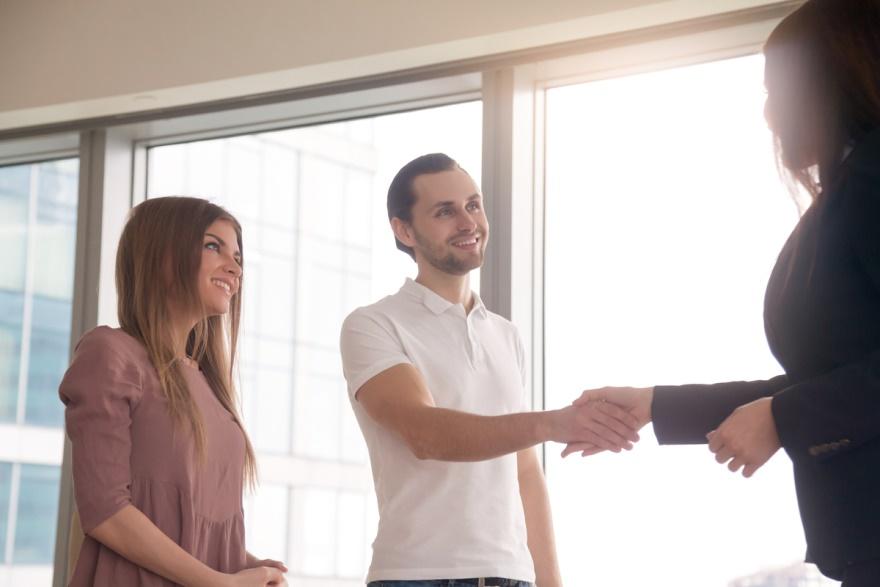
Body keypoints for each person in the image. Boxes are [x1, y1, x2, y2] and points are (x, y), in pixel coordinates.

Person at [567, 1, 880, 584]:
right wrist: (655, 405)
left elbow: (809, 393)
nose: (769, 114)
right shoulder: (847, 189)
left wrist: (786, 416)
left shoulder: (870, 178)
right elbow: (833, 373)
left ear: (826, 79)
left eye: (775, 89)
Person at [339, 153, 639, 587]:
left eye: (473, 205)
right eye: (445, 211)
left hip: (511, 575)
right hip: (417, 576)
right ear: (404, 230)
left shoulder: (506, 336)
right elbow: (425, 434)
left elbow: (525, 474)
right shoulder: (373, 325)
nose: (467, 222)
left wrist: (549, 581)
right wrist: (556, 423)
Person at [59, 197, 287, 586]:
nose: (234, 267)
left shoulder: (208, 383)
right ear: (161, 255)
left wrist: (243, 565)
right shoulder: (111, 354)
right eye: (213, 246)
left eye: (238, 256)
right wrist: (219, 582)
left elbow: (189, 523)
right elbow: (106, 512)